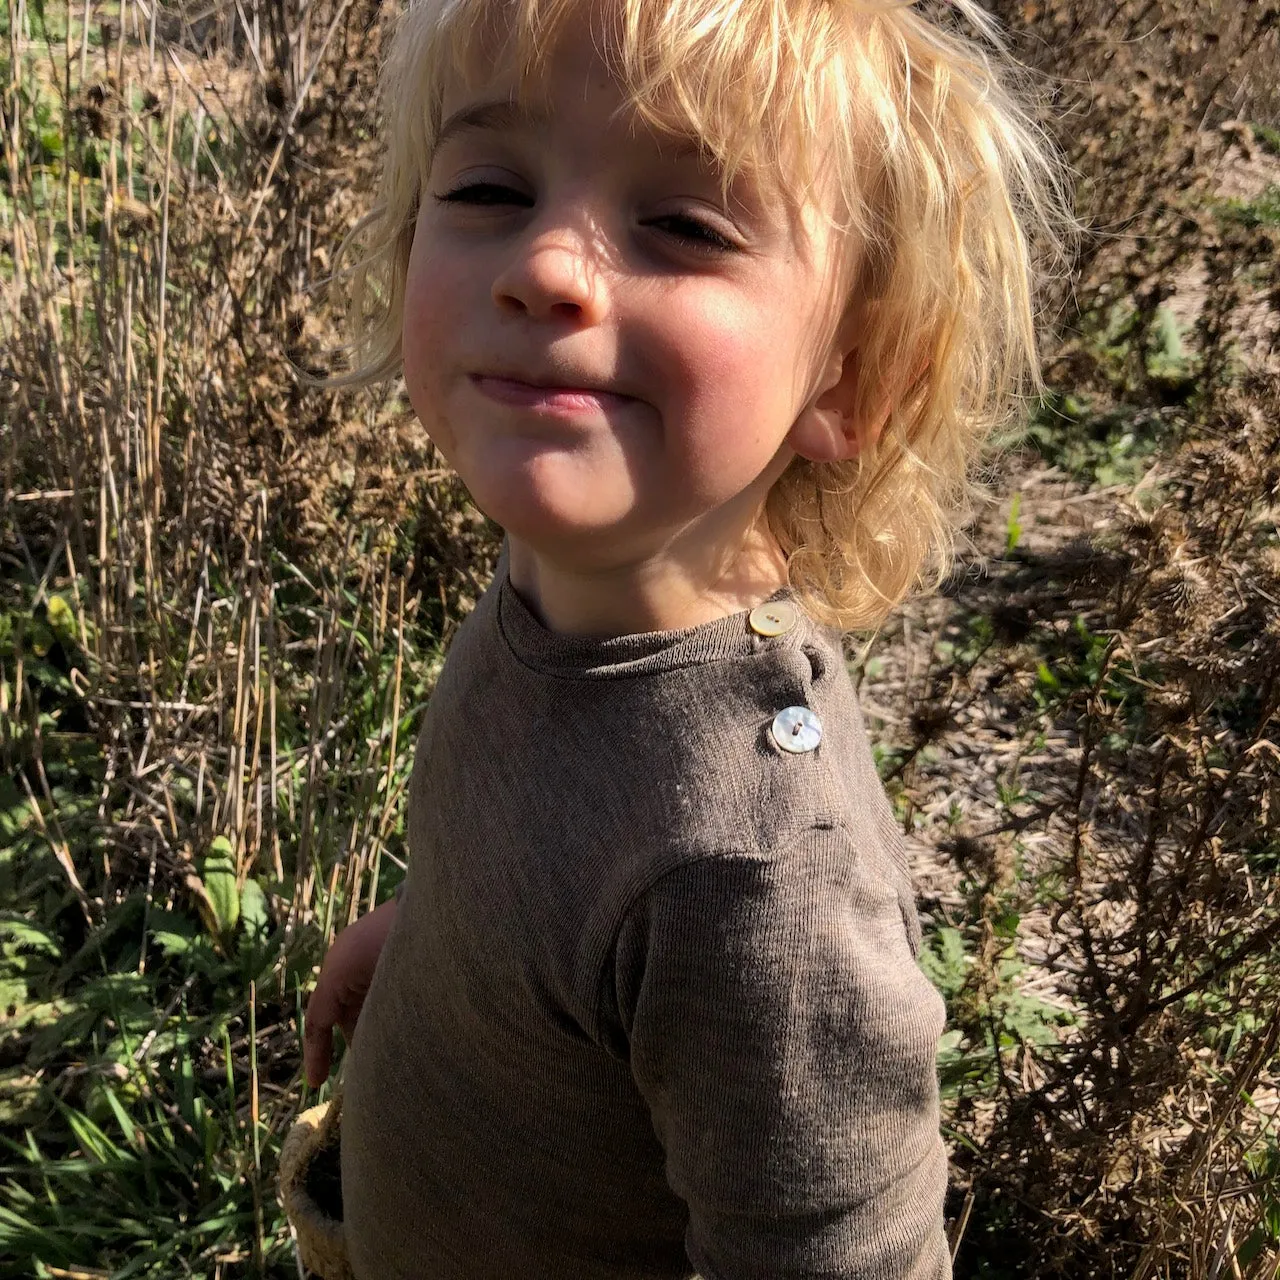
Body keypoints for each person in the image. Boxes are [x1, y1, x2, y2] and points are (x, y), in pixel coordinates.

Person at [300, 1, 1079, 1276]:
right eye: (489, 185)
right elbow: (552, 849)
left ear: (849, 375)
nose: (545, 263)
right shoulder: (555, 588)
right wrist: (433, 937)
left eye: (683, 223)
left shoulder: (751, 880)